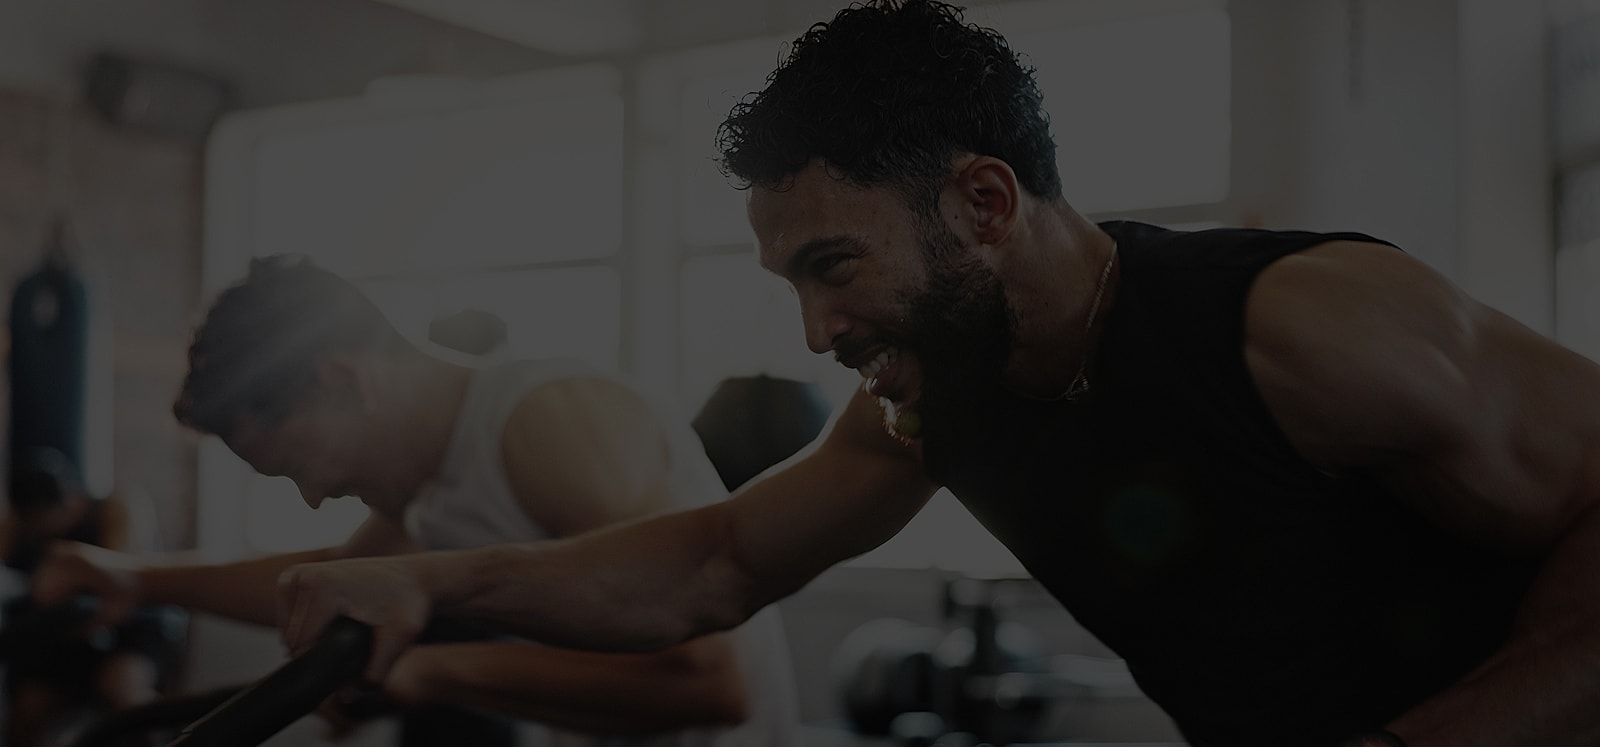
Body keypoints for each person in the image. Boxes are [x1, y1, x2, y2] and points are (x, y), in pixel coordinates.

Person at [263, 2, 1590, 746]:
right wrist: (421, 586)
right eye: (793, 280)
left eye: (835, 266)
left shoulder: (1307, 325)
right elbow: (712, 563)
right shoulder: (935, 399)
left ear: (987, 200)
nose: (815, 328)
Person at [31, 255, 800, 747]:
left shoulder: (548, 425)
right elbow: (326, 577)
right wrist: (133, 578)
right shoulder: (434, 477)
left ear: (345, 380)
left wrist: (432, 674)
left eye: (298, 461)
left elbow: (711, 681)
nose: (314, 494)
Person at [1, 447, 186, 747]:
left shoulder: (118, 508)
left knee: (124, 689)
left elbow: (122, 584)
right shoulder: (19, 526)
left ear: (71, 500)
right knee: (29, 704)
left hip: (133, 626)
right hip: (66, 636)